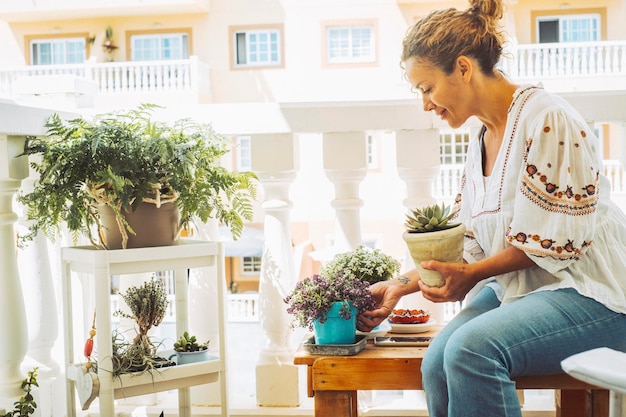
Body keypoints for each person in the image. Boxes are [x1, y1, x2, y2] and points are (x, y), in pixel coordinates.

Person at [356, 0, 626, 416]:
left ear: (463, 68)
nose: (425, 104)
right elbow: (468, 242)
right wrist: (399, 284)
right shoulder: (481, 139)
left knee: (471, 351)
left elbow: (554, 245)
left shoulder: (547, 118)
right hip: (527, 290)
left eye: (427, 88)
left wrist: (472, 278)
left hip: (596, 295)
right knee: (437, 364)